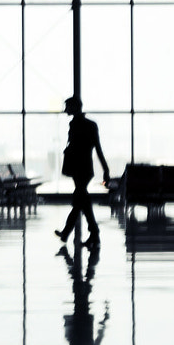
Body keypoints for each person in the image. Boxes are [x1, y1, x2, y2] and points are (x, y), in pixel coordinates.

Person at [56, 96, 110, 250]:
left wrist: (106, 169)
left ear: (74, 107)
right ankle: (92, 234)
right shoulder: (87, 125)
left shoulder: (79, 125)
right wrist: (105, 169)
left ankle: (72, 232)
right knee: (82, 201)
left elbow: (93, 147)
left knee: (80, 200)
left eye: (67, 106)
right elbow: (97, 148)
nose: (65, 109)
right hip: (84, 168)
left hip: (80, 168)